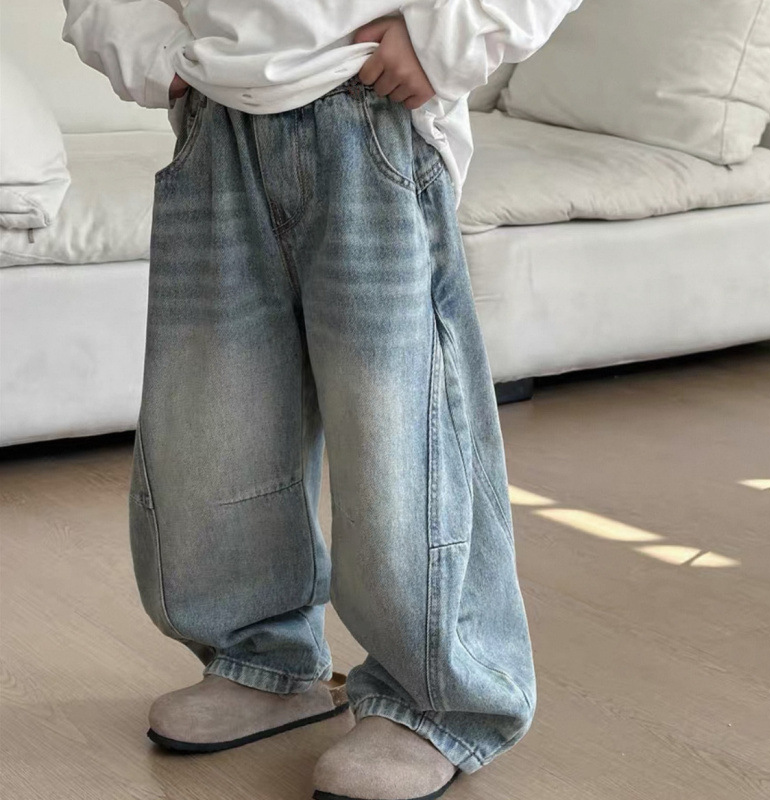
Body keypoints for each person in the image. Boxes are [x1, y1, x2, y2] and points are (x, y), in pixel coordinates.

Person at [61, 2, 582, 798]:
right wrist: (145, 47)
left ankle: (435, 699)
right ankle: (261, 661)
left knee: (397, 435)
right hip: (215, 115)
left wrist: (450, 33)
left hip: (373, 105)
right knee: (214, 426)